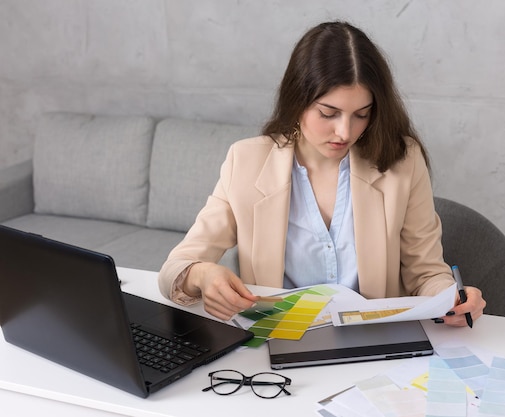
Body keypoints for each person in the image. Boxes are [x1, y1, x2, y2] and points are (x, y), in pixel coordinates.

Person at [158, 21, 486, 326]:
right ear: (297, 100)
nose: (345, 132)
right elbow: (175, 268)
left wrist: (450, 299)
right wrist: (203, 275)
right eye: (328, 113)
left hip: (373, 339)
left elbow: (425, 272)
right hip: (278, 336)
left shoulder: (402, 161)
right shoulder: (245, 162)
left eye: (361, 114)